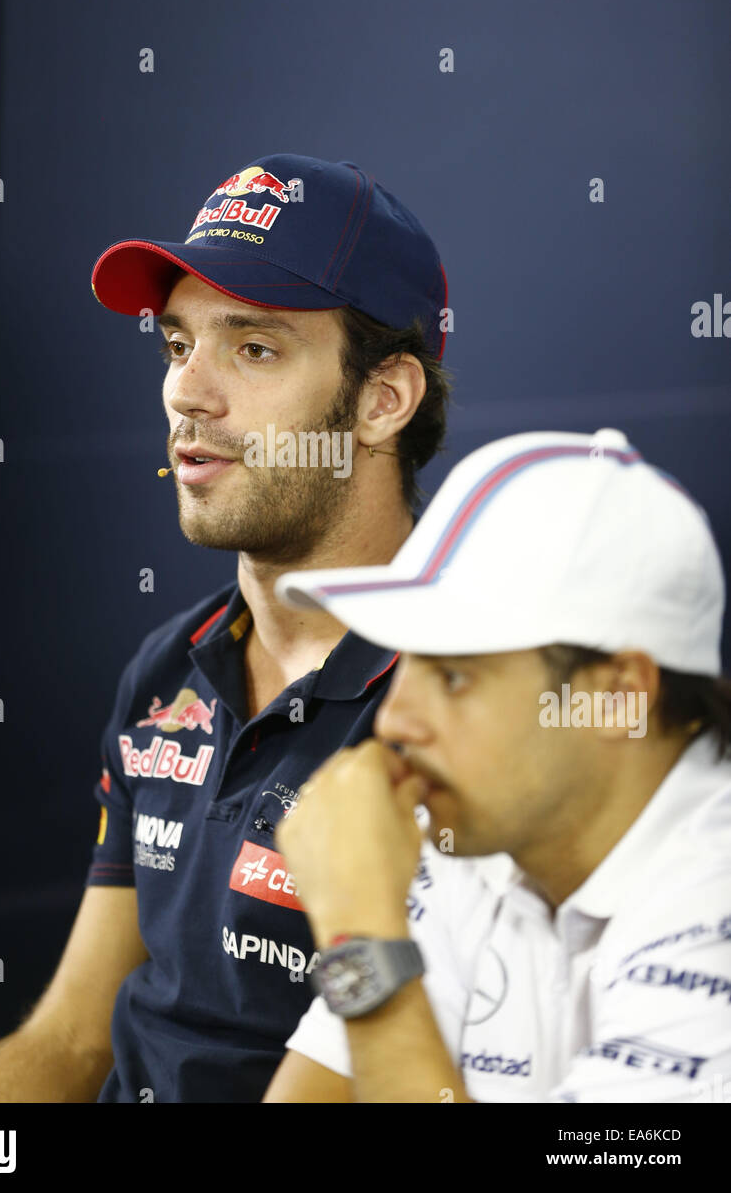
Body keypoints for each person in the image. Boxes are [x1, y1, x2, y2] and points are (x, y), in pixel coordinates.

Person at [0, 152, 451, 1103]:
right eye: (179, 345)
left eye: (252, 348)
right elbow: (64, 1040)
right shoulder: (169, 668)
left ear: (383, 401)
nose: (188, 393)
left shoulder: (467, 699)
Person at [265, 427, 731, 1103]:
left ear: (617, 697)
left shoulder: (713, 906)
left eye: (454, 676)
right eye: (406, 662)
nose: (394, 721)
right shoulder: (468, 839)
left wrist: (362, 937)